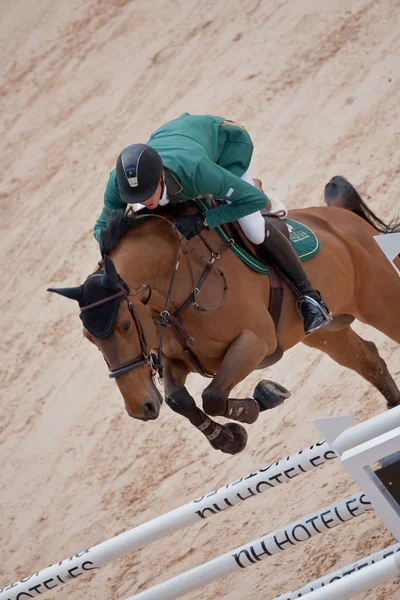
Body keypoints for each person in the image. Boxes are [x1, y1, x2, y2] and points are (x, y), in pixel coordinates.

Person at [94, 113, 332, 334]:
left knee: (254, 230)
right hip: (175, 143)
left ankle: (310, 298)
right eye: (136, 197)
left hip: (225, 150)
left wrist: (205, 219)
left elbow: (254, 200)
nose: (144, 201)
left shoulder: (197, 171)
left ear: (161, 177)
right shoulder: (119, 183)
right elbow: (100, 229)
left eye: (148, 193)